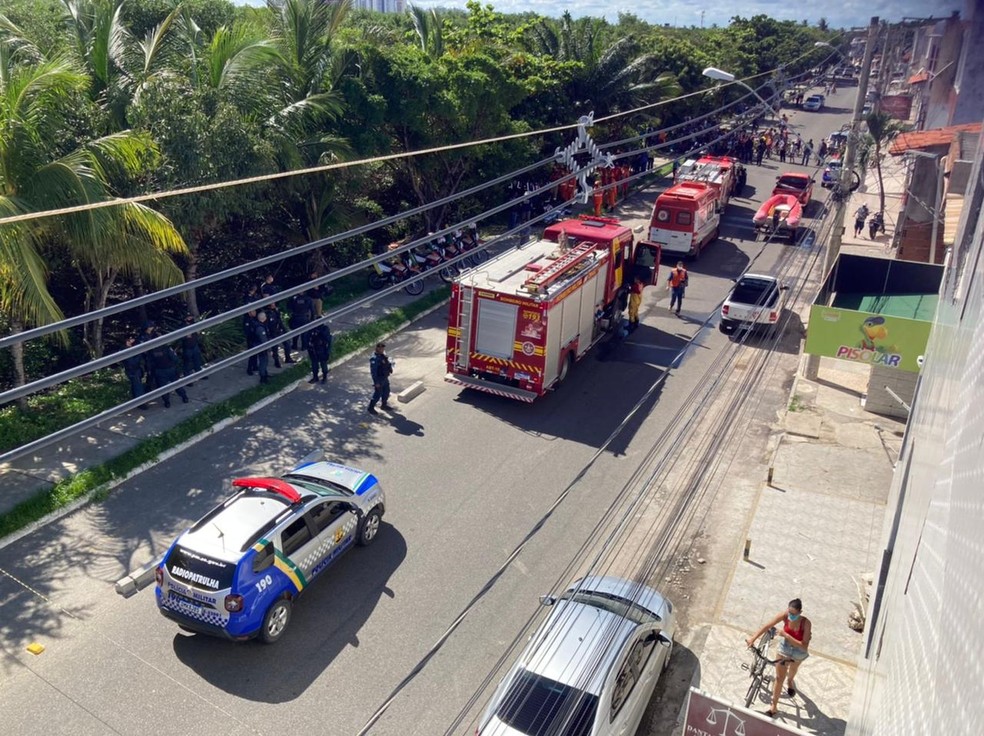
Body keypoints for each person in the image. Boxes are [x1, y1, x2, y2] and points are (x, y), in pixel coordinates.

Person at [746, 598, 812, 718]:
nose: (790, 615)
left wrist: (786, 635)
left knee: (792, 670)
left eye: (793, 614)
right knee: (779, 677)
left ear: (800, 612)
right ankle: (774, 707)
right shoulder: (785, 615)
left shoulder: (806, 623)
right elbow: (767, 626)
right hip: (785, 647)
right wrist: (753, 638)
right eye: (789, 612)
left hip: (798, 651)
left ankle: (790, 681)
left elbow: (804, 645)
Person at [147, 340, 188, 408]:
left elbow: (150, 363)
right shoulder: (166, 348)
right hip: (170, 369)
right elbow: (175, 359)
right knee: (177, 384)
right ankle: (184, 397)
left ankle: (167, 402)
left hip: (159, 371)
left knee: (163, 388)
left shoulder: (151, 351)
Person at [121, 335, 148, 410]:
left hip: (135, 370)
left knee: (135, 386)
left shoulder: (130, 349)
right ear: (127, 341)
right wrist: (138, 354)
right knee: (138, 387)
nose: (133, 340)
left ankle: (136, 400)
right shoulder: (126, 351)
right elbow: (132, 362)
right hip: (133, 371)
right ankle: (141, 403)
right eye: (131, 339)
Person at [367, 342, 394, 415]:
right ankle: (371, 408)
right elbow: (373, 372)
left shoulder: (383, 355)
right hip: (379, 379)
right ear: (377, 348)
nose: (382, 349)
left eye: (383, 348)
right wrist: (376, 382)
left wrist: (390, 367)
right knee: (377, 394)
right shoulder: (374, 359)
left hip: (385, 378)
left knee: (386, 392)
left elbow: (386, 363)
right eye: (380, 348)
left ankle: (384, 405)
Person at [181, 315, 206, 380]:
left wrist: (198, 332)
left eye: (191, 317)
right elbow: (180, 337)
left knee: (197, 361)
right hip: (187, 348)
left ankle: (200, 375)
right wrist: (186, 336)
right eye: (189, 317)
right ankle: (187, 379)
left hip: (194, 346)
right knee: (187, 363)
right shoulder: (183, 327)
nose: (190, 318)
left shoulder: (194, 324)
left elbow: (198, 333)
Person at [254, 310, 271, 384]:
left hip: (258, 345)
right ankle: (263, 377)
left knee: (264, 361)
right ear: (263, 318)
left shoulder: (259, 325)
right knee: (263, 362)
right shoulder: (260, 328)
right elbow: (264, 340)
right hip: (261, 347)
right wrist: (269, 349)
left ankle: (265, 374)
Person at [243, 309, 260, 375]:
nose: (255, 312)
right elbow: (247, 331)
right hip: (251, 340)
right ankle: (249, 369)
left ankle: (255, 366)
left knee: (255, 354)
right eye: (253, 311)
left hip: (255, 338)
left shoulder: (254, 318)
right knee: (252, 355)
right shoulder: (247, 320)